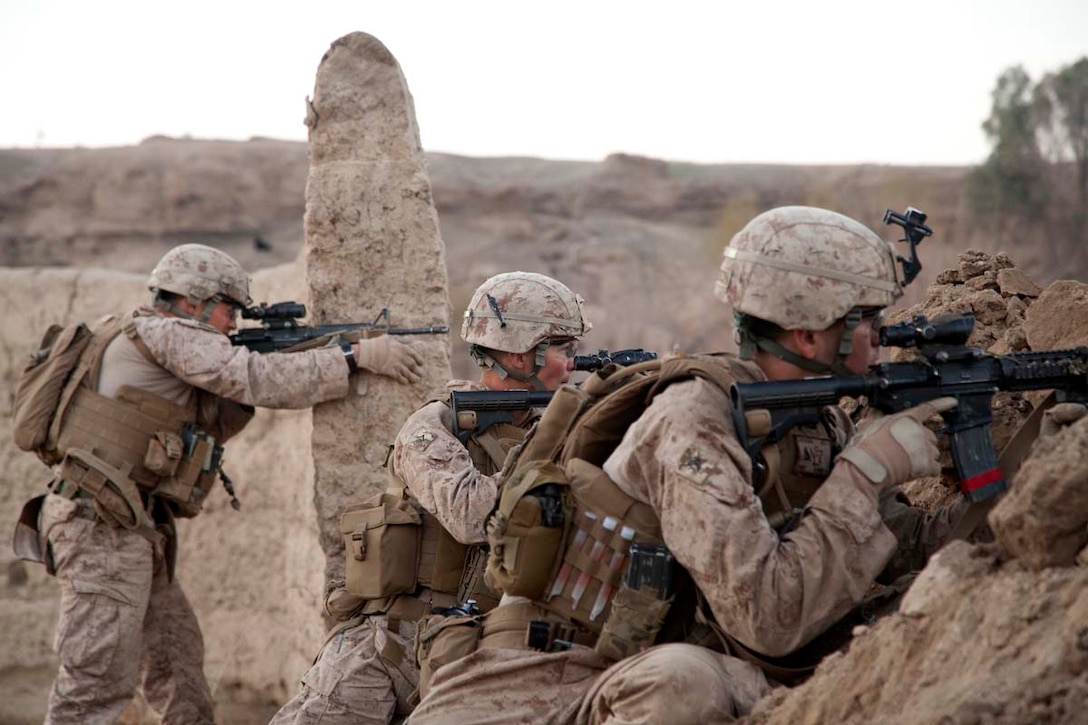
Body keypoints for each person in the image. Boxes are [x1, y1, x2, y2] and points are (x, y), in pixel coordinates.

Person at [407, 206, 972, 724]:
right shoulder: (694, 419)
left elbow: (904, 543)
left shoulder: (812, 418)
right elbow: (766, 619)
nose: (883, 339)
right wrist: (866, 471)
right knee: (681, 683)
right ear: (809, 330)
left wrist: (1026, 477)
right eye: (870, 321)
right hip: (550, 685)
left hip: (651, 659)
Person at [22, 243, 422, 724]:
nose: (234, 323)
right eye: (228, 309)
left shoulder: (143, 331)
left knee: (177, 664)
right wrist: (353, 358)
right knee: (94, 681)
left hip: (127, 527)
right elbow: (255, 379)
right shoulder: (167, 335)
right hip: (100, 529)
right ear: (193, 301)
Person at [271, 271, 591, 724]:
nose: (575, 364)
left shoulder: (549, 433)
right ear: (522, 353)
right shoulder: (436, 425)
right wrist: (545, 443)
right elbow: (472, 515)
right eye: (565, 349)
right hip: (387, 650)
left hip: (471, 654)